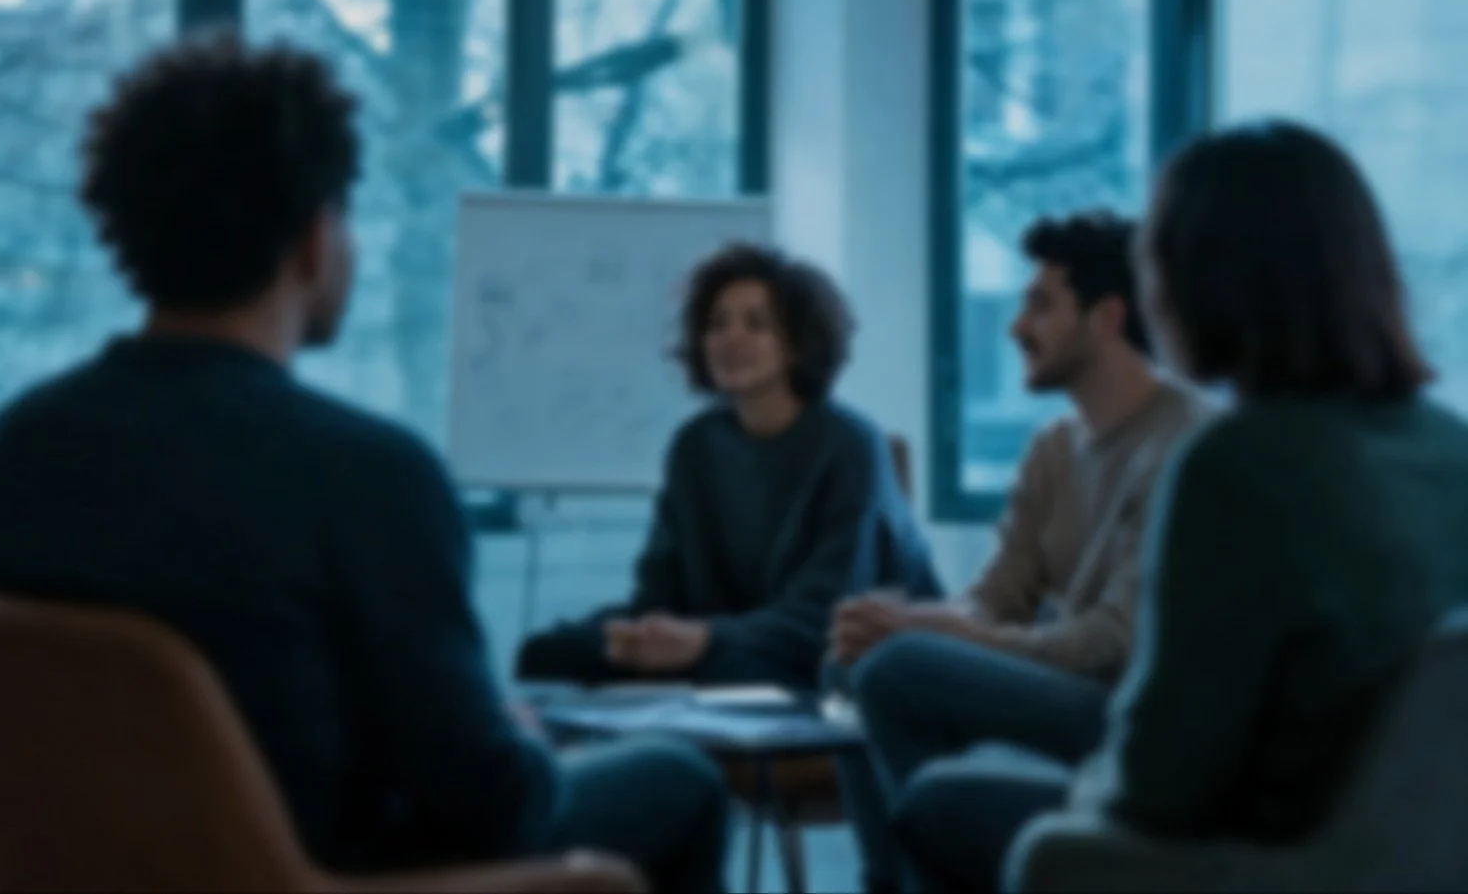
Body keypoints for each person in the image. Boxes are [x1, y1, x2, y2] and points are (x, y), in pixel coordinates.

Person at [0, 33, 728, 891]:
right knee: (678, 779)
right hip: (328, 876)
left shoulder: (7, 452)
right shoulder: (364, 474)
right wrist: (514, 739)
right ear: (312, 239)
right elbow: (491, 806)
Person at [1059, 122, 1468, 856]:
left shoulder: (1236, 465)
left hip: (1264, 854)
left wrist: (1081, 792)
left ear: (1199, 275)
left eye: (1152, 252)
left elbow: (1159, 786)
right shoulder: (1450, 445)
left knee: (949, 797)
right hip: (1406, 854)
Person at [829, 211, 1209, 893]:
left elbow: (1116, 643)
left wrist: (946, 635)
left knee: (902, 668)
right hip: (1067, 684)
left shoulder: (1183, 445)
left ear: (1106, 317)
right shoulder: (1053, 448)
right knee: (855, 657)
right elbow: (996, 596)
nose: (1015, 329)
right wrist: (917, 620)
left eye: (1038, 306)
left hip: (1125, 708)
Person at [516, 244, 941, 689]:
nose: (730, 338)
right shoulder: (694, 445)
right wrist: (631, 636)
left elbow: (826, 616)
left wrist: (704, 639)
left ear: (799, 344)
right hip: (726, 645)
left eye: (756, 324)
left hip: (831, 657)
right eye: (717, 324)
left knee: (726, 666)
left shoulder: (852, 444)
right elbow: (659, 595)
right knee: (548, 652)